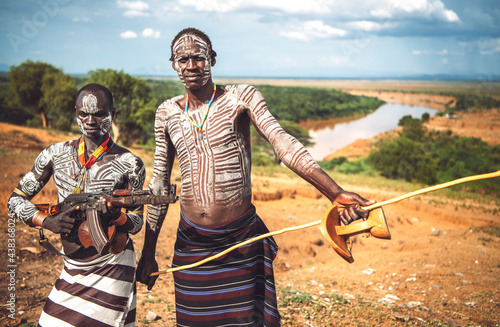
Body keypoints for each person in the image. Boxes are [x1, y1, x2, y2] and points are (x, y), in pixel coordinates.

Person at [136, 27, 374, 326]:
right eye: (183, 58)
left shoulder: (241, 97)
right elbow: (159, 185)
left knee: (245, 321)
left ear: (213, 58)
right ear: (173, 63)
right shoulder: (166, 113)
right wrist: (148, 253)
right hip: (192, 243)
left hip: (240, 240)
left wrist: (334, 192)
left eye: (199, 57)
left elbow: (283, 143)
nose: (191, 65)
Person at [7, 83, 145, 327]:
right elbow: (15, 200)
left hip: (112, 262)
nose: (91, 120)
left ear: (114, 113)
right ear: (76, 113)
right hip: (71, 265)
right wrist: (46, 221)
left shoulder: (130, 163)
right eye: (84, 114)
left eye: (100, 113)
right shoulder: (54, 154)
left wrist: (115, 216)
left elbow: (136, 221)